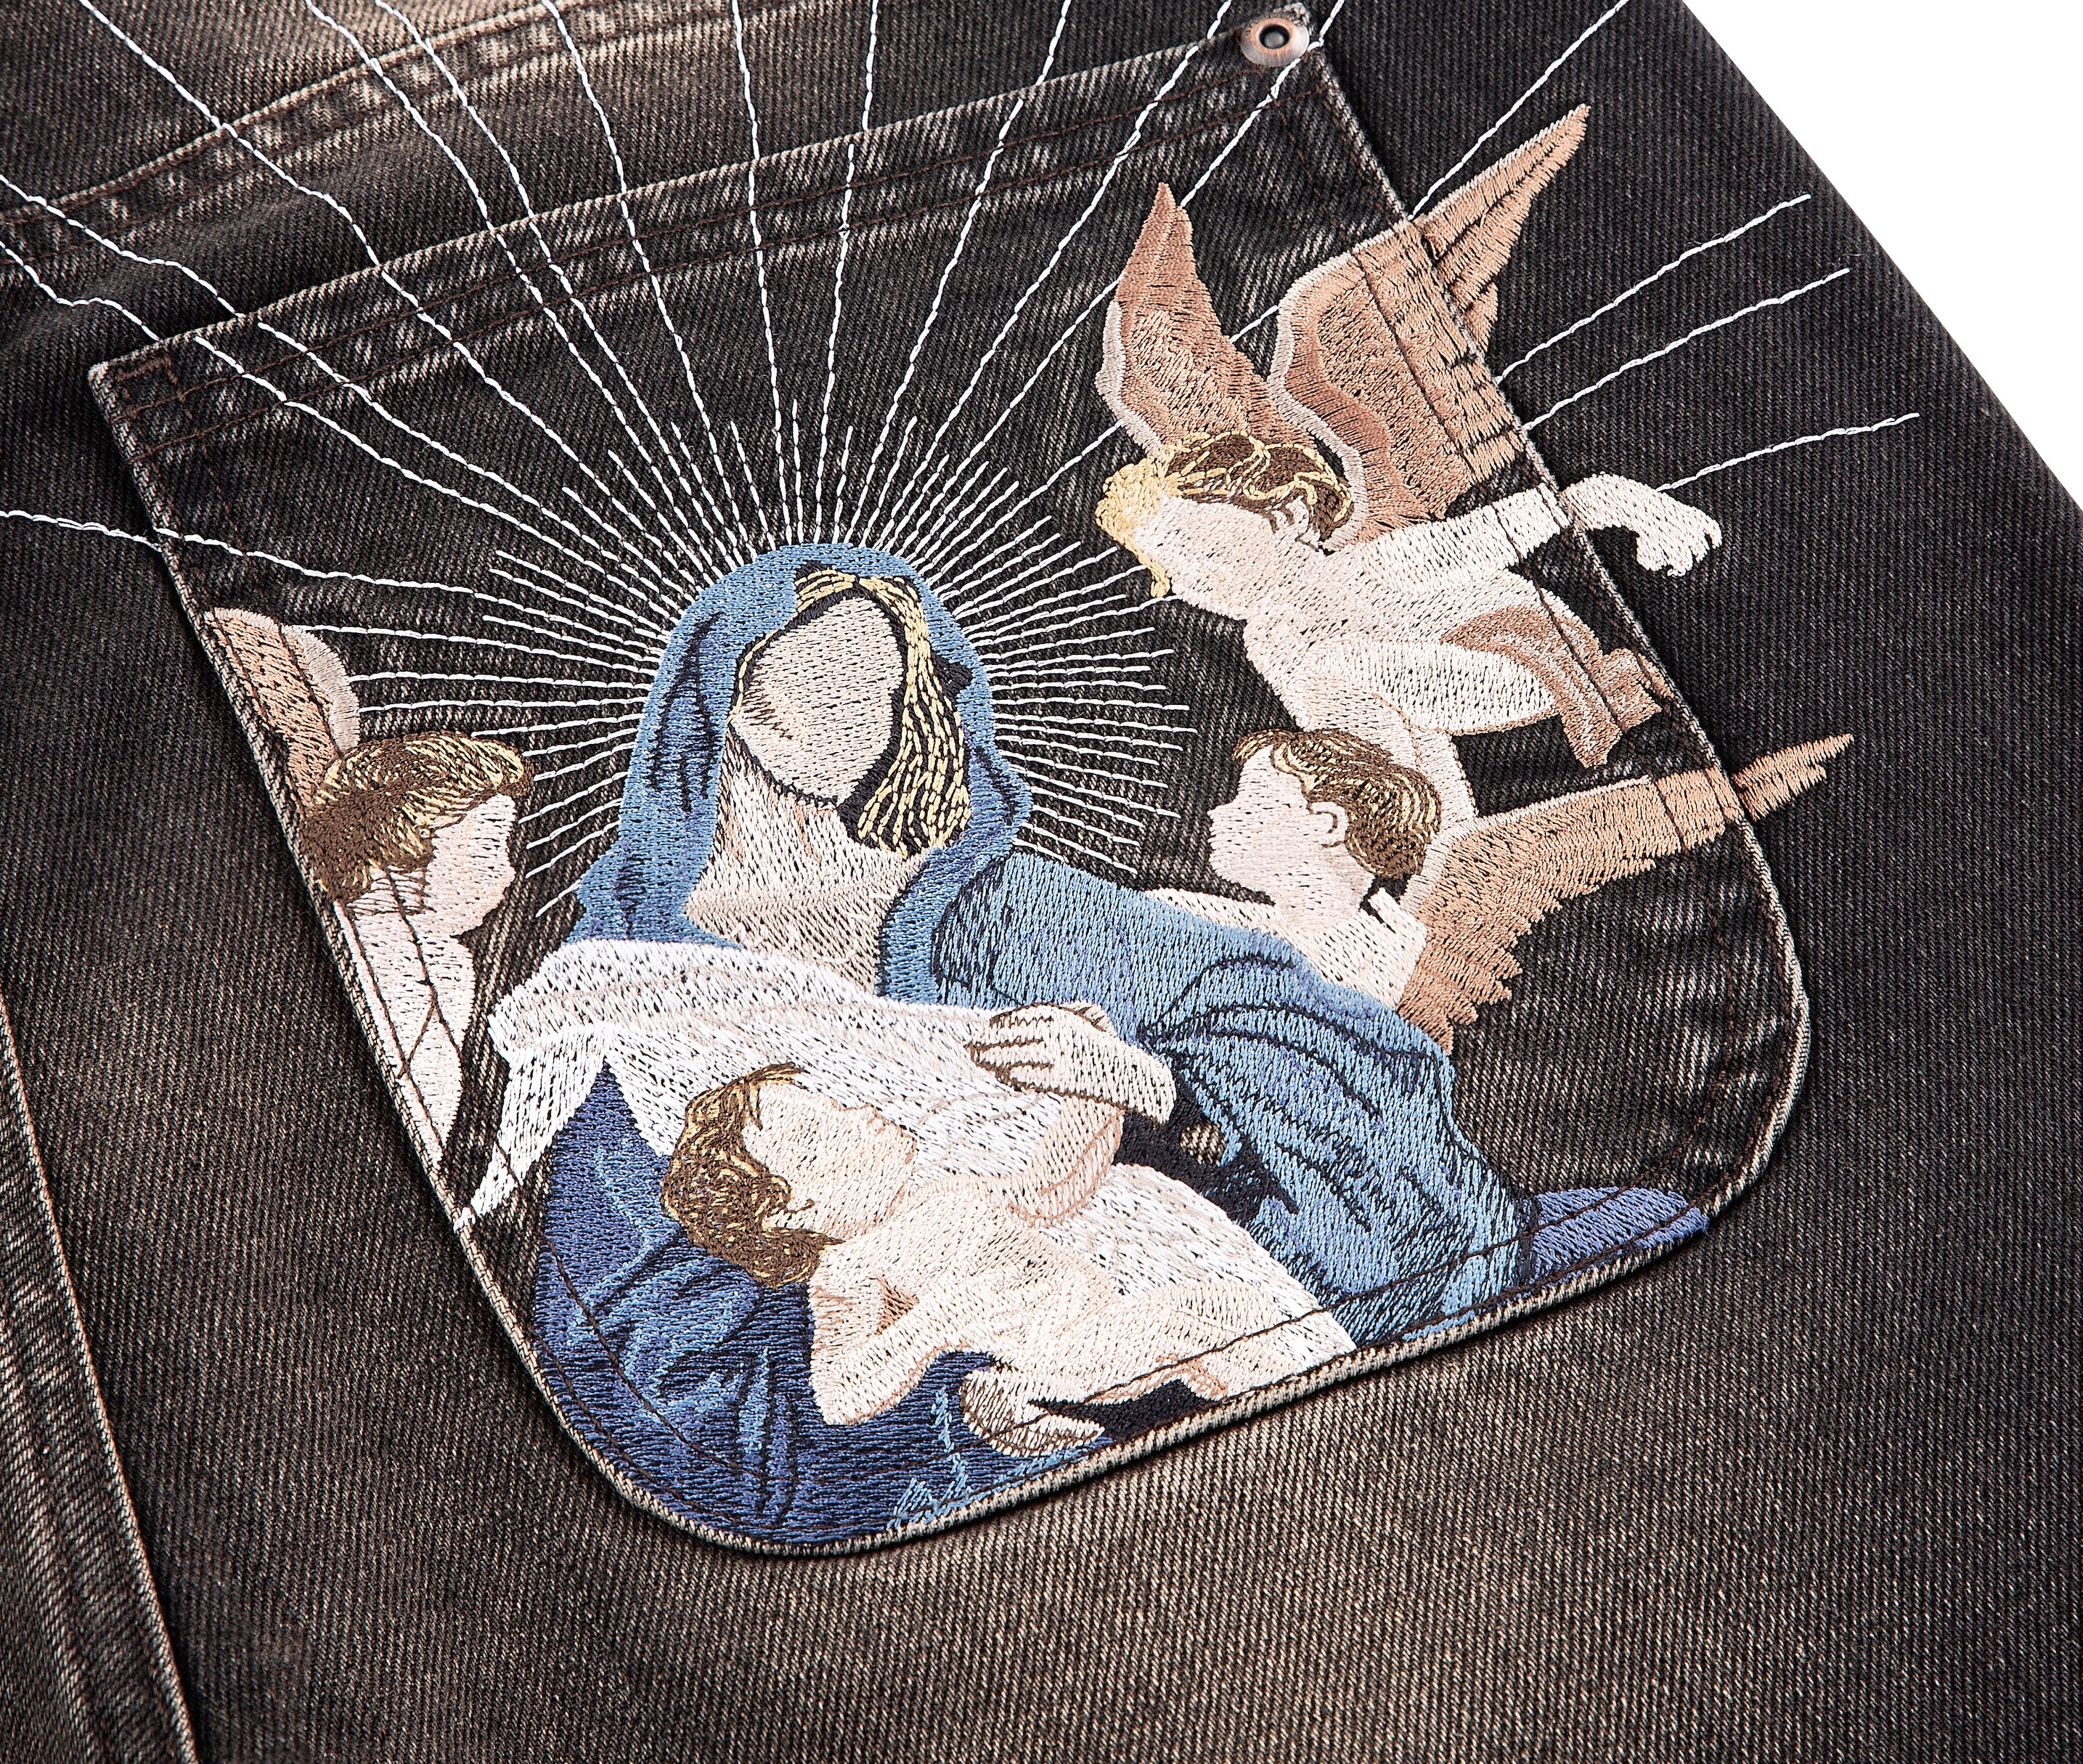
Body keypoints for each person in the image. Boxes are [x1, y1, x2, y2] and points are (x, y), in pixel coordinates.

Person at [492, 546, 1689, 1545]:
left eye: (884, 682)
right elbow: (652, 1352)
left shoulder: (997, 901)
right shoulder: (638, 988)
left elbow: (1296, 1026)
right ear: (731, 691)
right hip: (1020, 1496)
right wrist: (957, 1412)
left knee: (1637, 1239)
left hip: (1213, 1298)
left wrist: (1146, 1083)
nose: (858, 709)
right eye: (821, 676)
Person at [662, 1056, 1350, 1457]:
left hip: (1101, 1320)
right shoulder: (850, 1270)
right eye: (823, 1135)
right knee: (1204, 1327)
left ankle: (1304, 1399)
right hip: (1065, 1349)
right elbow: (839, 1394)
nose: (858, 1112)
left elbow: (1048, 1190)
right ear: (794, 1212)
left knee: (1225, 1326)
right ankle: (1315, 1417)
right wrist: (934, 1323)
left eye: (836, 1102)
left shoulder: (942, 1194)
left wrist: (1093, 1092)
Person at [1096, 428, 1721, 819]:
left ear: (1286, 516)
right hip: (1442, 713)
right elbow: (1345, 735)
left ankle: (1421, 817)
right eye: (1176, 575)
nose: (1202, 582)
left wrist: (1629, 505)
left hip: (1526, 650)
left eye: (1207, 552)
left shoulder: (1365, 568)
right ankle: (1437, 827)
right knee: (1337, 718)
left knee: (1338, 665)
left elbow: (1493, 533)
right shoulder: (1268, 640)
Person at [297, 732, 531, 1152]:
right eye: (489, 844)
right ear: (410, 842)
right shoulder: (398, 958)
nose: (507, 872)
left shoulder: (442, 962)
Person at [1154, 727, 1440, 1010]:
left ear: (1328, 824)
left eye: (1251, 800)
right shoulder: (1179, 916)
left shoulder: (1397, 965)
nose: (1219, 812)